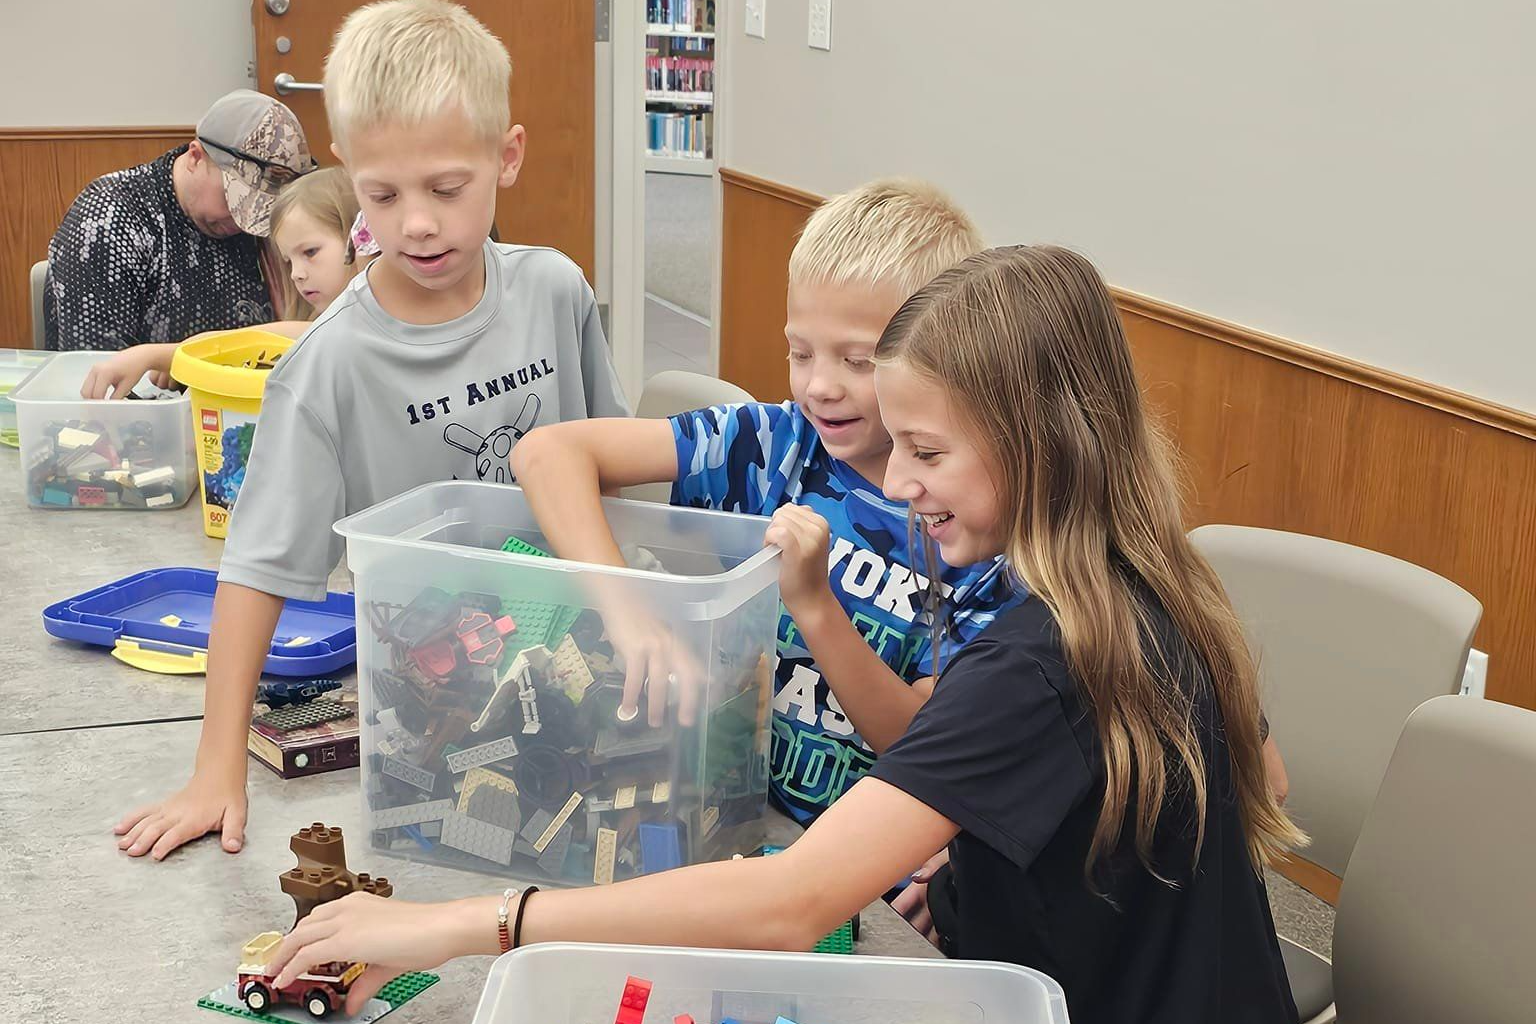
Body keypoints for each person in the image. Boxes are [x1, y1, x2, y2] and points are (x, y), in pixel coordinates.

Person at [266, 246, 1306, 1024]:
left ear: (1039, 441)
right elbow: (1221, 796)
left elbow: (787, 902)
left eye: (928, 453)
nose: (897, 485)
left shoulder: (1044, 655)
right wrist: (973, 879)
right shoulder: (1148, 577)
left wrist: (462, 923)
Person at [112, 0, 629, 861]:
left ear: (507, 158)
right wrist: (216, 770)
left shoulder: (555, 290)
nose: (417, 222)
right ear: (350, 173)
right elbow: (253, 573)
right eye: (384, 195)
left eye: (447, 189)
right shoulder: (328, 364)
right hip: (435, 712)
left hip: (585, 684)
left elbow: (619, 470)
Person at [511, 178, 1021, 828]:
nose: (818, 386)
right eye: (799, 352)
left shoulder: (968, 525)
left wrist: (816, 607)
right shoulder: (772, 443)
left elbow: (919, 744)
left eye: (858, 361)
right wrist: (625, 608)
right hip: (724, 810)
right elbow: (546, 454)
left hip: (856, 866)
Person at [44, 89, 313, 352]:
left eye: (263, 207)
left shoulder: (263, 226)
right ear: (195, 157)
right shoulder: (107, 221)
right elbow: (98, 374)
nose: (247, 223)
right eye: (237, 200)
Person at [80, 167, 366, 400]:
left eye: (310, 252)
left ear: (360, 240)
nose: (296, 274)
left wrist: (156, 354)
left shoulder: (358, 323)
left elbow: (262, 340)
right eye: (289, 261)